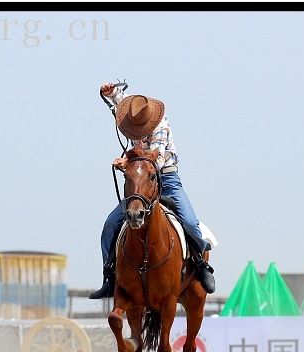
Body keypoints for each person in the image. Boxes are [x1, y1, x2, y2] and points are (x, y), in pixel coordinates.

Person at [89, 82, 216, 299]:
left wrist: (127, 162)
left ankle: (201, 266)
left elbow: (154, 161)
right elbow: (126, 105)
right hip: (139, 183)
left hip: (166, 178)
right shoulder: (134, 116)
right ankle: (109, 276)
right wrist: (111, 93)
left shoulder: (160, 127)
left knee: (189, 222)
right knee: (111, 224)